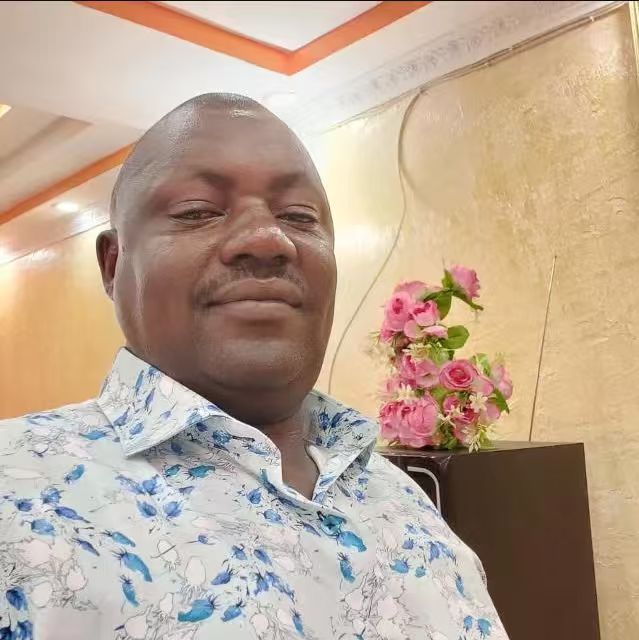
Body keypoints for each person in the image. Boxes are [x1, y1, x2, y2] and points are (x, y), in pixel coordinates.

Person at [0, 94, 507, 640]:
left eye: (299, 216)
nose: (269, 238)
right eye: (197, 210)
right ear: (113, 263)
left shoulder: (406, 501)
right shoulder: (16, 498)